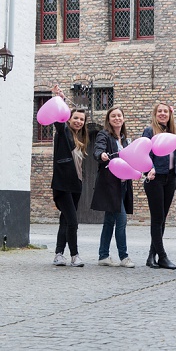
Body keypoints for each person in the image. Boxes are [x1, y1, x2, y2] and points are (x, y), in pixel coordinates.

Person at [140, 103, 176, 270]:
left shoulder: (171, 133)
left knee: (162, 219)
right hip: (155, 178)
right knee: (157, 218)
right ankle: (162, 257)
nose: (163, 114)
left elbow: (174, 161)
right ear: (155, 113)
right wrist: (148, 170)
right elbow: (144, 154)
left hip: (170, 179)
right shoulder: (149, 131)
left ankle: (152, 256)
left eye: (166, 111)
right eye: (160, 111)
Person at [92, 107, 135, 268]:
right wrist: (101, 155)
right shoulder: (104, 135)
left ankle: (103, 256)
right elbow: (98, 149)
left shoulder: (124, 139)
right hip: (110, 185)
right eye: (113, 116)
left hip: (123, 185)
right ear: (109, 119)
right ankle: (124, 257)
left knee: (109, 221)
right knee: (121, 220)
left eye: (119, 115)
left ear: (123, 119)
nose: (117, 118)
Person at [48, 86, 87, 268]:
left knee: (65, 219)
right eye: (76, 118)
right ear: (69, 119)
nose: (78, 121)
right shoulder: (63, 134)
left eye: (81, 119)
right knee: (72, 221)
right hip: (62, 185)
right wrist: (61, 99)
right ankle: (74, 255)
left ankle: (58, 254)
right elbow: (58, 121)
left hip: (75, 186)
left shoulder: (80, 141)